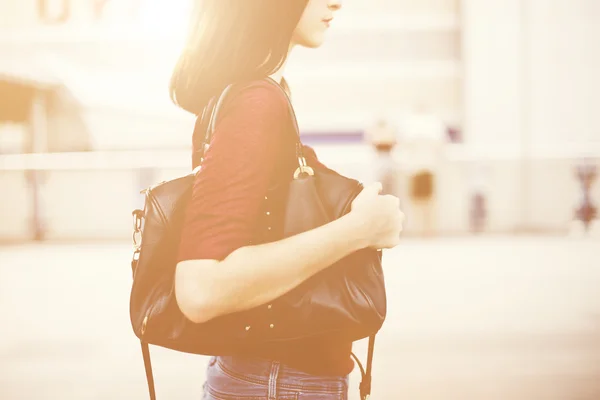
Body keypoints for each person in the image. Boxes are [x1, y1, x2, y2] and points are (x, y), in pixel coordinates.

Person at [170, 1, 405, 398]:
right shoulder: (254, 104)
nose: (336, 3)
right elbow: (200, 289)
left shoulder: (251, 94)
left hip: (269, 377)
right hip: (277, 382)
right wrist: (358, 230)